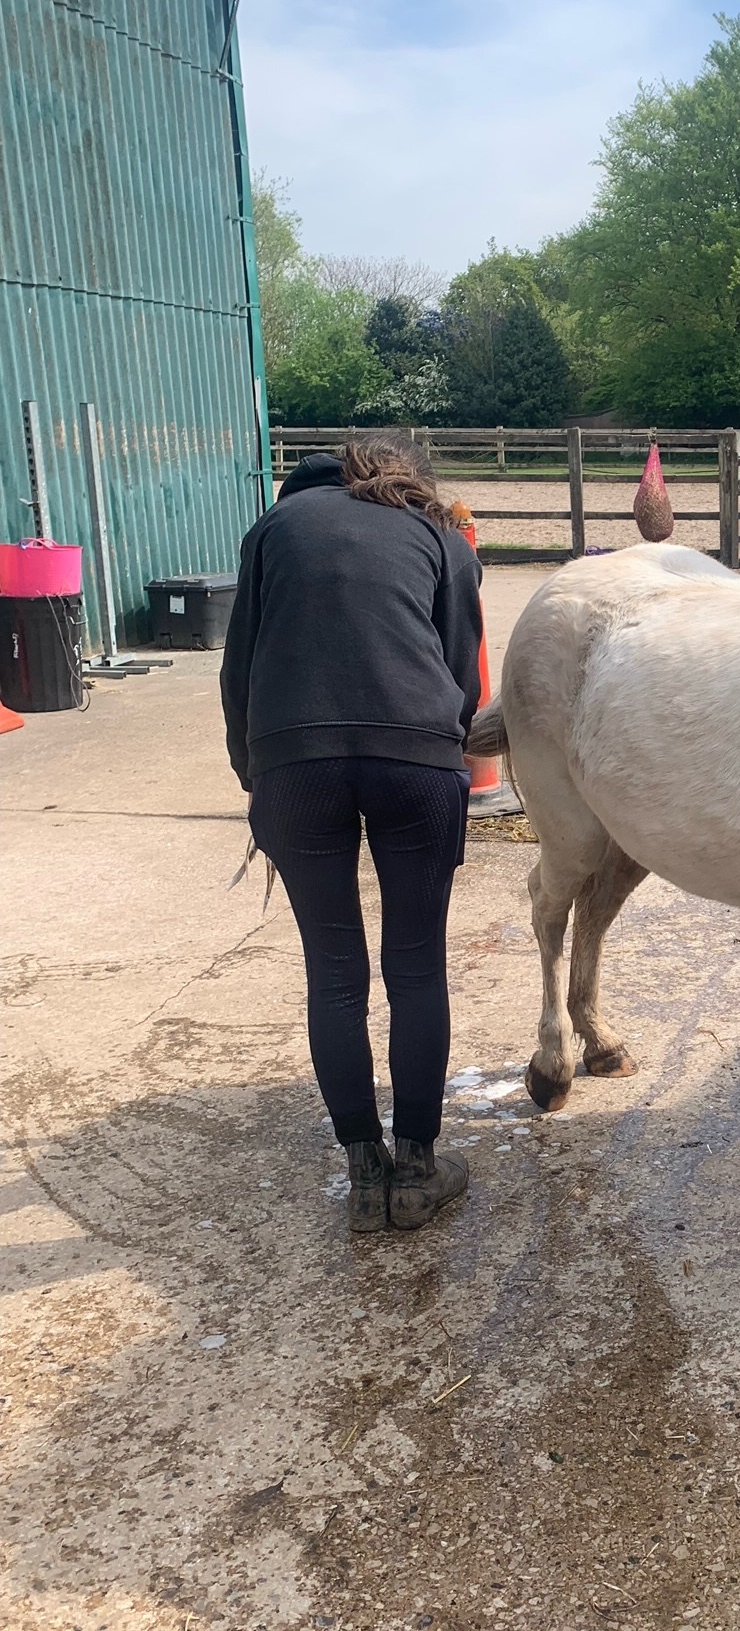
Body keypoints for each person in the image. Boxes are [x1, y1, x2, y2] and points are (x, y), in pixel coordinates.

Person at [221, 436, 484, 1234]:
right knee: (415, 964)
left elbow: (240, 667)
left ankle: (363, 1175)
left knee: (333, 972)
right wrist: (441, 741)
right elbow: (461, 671)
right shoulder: (440, 534)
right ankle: (416, 1168)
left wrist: (253, 772)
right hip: (415, 760)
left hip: (293, 763)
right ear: (413, 475)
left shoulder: (276, 528)